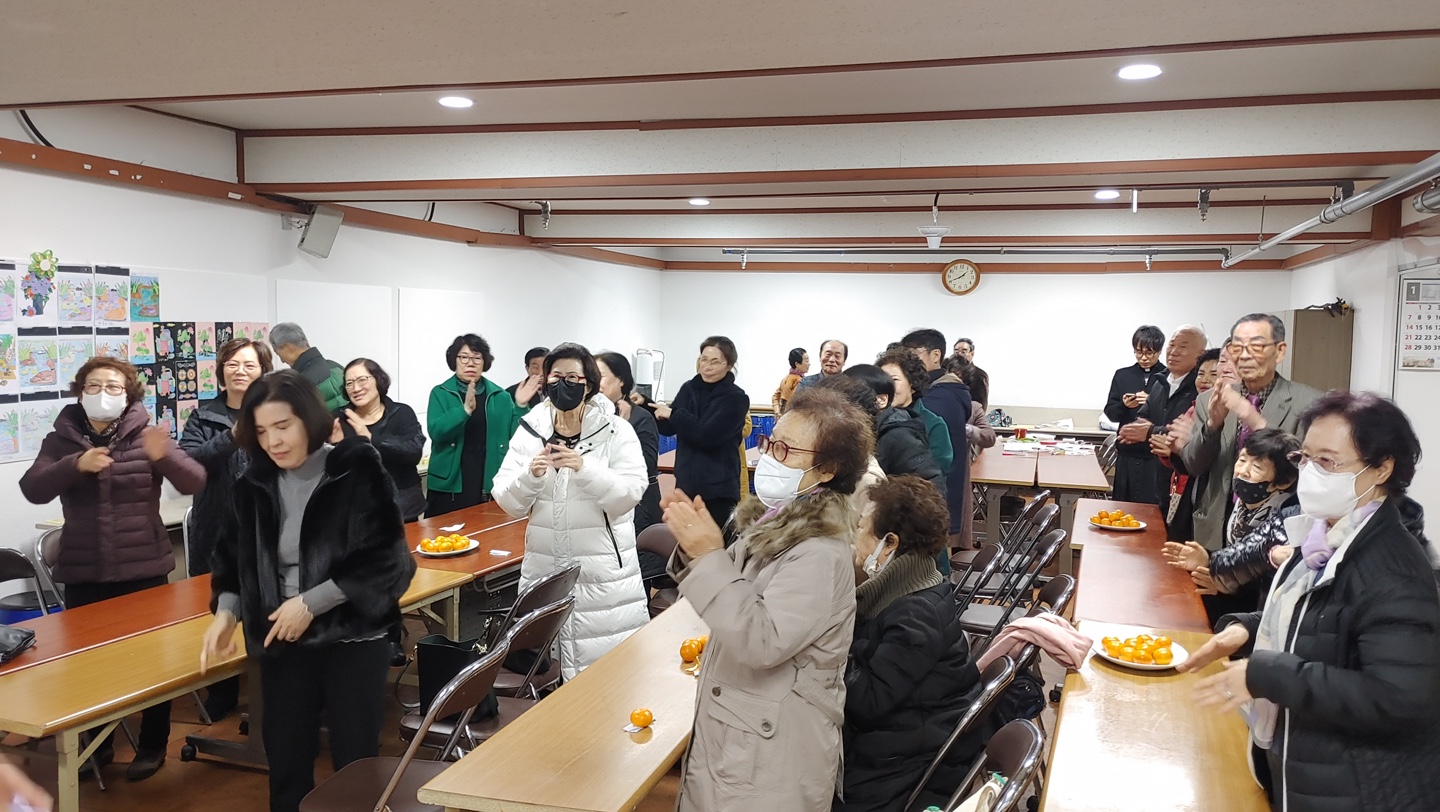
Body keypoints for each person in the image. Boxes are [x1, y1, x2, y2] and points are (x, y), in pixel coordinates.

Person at [1183, 392, 1440, 809]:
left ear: (1381, 468)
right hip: (1304, 765)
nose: (1310, 472)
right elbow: (1321, 621)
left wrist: (1269, 674)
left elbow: (1398, 697)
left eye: (1328, 462)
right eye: (1305, 458)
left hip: (1358, 787)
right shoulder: (1325, 537)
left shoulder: (1394, 568)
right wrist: (1247, 629)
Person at [201, 370, 416, 812]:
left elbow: (391, 562)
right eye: (262, 431)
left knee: (355, 765)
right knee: (286, 761)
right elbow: (231, 562)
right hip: (282, 641)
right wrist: (226, 613)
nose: (273, 441)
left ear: (309, 420)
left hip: (353, 638)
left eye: (283, 426)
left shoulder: (355, 470)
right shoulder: (252, 485)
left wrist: (310, 603)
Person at [663, 387, 870, 811]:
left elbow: (762, 641)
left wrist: (707, 556)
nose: (769, 457)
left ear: (826, 470)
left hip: (771, 751)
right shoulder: (777, 522)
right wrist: (696, 548)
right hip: (744, 728)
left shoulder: (818, 551)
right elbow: (732, 590)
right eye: (769, 442)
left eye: (785, 450)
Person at [20, 357, 206, 782]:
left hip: (143, 569)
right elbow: (32, 488)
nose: (102, 393)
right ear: (80, 391)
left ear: (128, 395)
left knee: (153, 661)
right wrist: (74, 465)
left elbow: (195, 481)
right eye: (94, 385)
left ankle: (152, 745)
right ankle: (96, 749)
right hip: (83, 570)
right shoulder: (60, 441)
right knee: (88, 669)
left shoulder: (147, 435)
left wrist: (164, 457)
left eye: (113, 387)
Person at [493, 344, 651, 679]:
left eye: (572, 378)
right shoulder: (531, 430)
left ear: (588, 384)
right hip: (544, 566)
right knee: (547, 670)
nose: (562, 384)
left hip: (602, 572)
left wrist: (584, 468)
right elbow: (508, 502)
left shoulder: (615, 430)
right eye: (555, 377)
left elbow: (629, 495)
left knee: (608, 675)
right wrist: (530, 477)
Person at [836, 476, 981, 812]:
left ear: (890, 544)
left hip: (906, 768)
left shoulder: (915, 615)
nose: (854, 537)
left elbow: (867, 702)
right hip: (908, 740)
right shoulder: (914, 584)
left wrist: (830, 639)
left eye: (861, 528)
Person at [180, 336, 275, 720]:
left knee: (267, 606)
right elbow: (190, 463)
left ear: (263, 372)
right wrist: (232, 436)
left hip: (267, 528)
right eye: (233, 365)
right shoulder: (203, 416)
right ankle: (222, 691)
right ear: (221, 372)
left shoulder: (276, 413)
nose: (240, 371)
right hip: (215, 531)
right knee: (217, 607)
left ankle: (270, 690)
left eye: (249, 365)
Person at [1179, 314, 1322, 551]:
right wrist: (1213, 426)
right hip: (1216, 529)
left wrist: (1253, 419)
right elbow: (1194, 465)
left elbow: (1306, 472)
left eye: (1256, 346)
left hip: (1277, 534)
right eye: (1237, 348)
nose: (1245, 356)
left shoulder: (1310, 403)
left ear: (1280, 351)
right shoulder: (1209, 399)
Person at [1163, 429, 1301, 623]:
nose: (1242, 471)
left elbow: (1268, 588)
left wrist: (1225, 584)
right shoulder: (1236, 506)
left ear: (1284, 481)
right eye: (1242, 460)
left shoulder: (1286, 523)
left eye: (1257, 467)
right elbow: (1237, 558)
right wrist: (1207, 560)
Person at [426, 334, 539, 517]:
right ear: (454, 360)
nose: (470, 363)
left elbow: (517, 438)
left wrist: (520, 406)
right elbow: (436, 432)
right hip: (450, 484)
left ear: (484, 362)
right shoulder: (440, 393)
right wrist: (464, 411)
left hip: (488, 478)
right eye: (464, 357)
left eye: (477, 358)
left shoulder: (500, 396)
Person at [655, 336, 751, 531]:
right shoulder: (689, 389)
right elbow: (669, 428)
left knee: (714, 544)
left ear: (729, 365)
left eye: (715, 362)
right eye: (704, 359)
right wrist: (647, 407)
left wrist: (674, 414)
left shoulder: (736, 398)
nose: (707, 367)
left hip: (718, 491)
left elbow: (708, 436)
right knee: (684, 543)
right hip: (685, 486)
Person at [900, 329, 972, 548]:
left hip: (933, 494)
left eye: (914, 354)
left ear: (935, 355)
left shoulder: (939, 396)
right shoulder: (942, 391)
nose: (909, 362)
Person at [334, 358, 426, 521]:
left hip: (403, 509)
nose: (356, 388)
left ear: (378, 379)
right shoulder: (339, 419)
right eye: (349, 383)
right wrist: (336, 445)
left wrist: (370, 438)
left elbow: (413, 452)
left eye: (362, 380)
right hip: (357, 513)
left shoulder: (401, 412)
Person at [1151, 346, 1224, 541]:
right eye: (1200, 374)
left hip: (1205, 495)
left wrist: (1180, 450)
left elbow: (1206, 457)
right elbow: (1180, 452)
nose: (1205, 380)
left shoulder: (1224, 415)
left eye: (1214, 374)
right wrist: (1170, 451)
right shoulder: (1194, 408)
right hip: (1180, 488)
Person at [1131, 325, 1207, 510]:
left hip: (1185, 479)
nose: (1174, 351)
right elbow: (1143, 416)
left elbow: (1189, 432)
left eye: (1183, 346)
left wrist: (1150, 432)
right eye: (1172, 345)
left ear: (1200, 354)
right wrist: (1146, 431)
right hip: (1156, 471)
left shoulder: (1201, 387)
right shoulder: (1161, 380)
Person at [840, 364, 945, 494]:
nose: (844, 407)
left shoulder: (899, 435)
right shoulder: (853, 432)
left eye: (852, 398)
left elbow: (931, 488)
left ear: (881, 400)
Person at [596, 351, 662, 533]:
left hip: (637, 508)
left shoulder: (640, 417)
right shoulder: (591, 417)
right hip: (602, 506)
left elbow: (647, 465)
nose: (595, 382)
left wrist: (621, 429)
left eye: (601, 376)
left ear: (621, 380)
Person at [1104, 324, 1168, 504]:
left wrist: (1152, 401)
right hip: (1127, 453)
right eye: (1139, 352)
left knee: (1151, 508)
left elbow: (1172, 415)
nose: (1144, 357)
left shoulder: (1168, 377)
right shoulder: (1122, 375)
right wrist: (1124, 405)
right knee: (1122, 506)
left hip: (1154, 455)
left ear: (1159, 351)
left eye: (1150, 353)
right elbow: (1111, 413)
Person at [946, 354, 998, 549]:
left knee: (956, 533)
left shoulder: (972, 406)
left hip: (958, 474)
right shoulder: (931, 400)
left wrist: (967, 430)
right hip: (935, 471)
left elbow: (989, 436)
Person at [876, 347, 953, 476]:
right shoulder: (873, 419)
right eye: (883, 381)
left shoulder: (934, 424)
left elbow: (938, 466)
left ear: (913, 384)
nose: (887, 387)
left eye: (894, 380)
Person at [269, 322, 347, 410]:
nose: (282, 361)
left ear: (289, 348)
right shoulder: (337, 367)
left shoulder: (299, 385)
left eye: (279, 355)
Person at [772, 347, 810, 414]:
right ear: (797, 364)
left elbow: (775, 397)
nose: (809, 364)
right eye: (806, 361)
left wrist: (777, 411)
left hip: (784, 415)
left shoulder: (785, 378)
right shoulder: (800, 381)